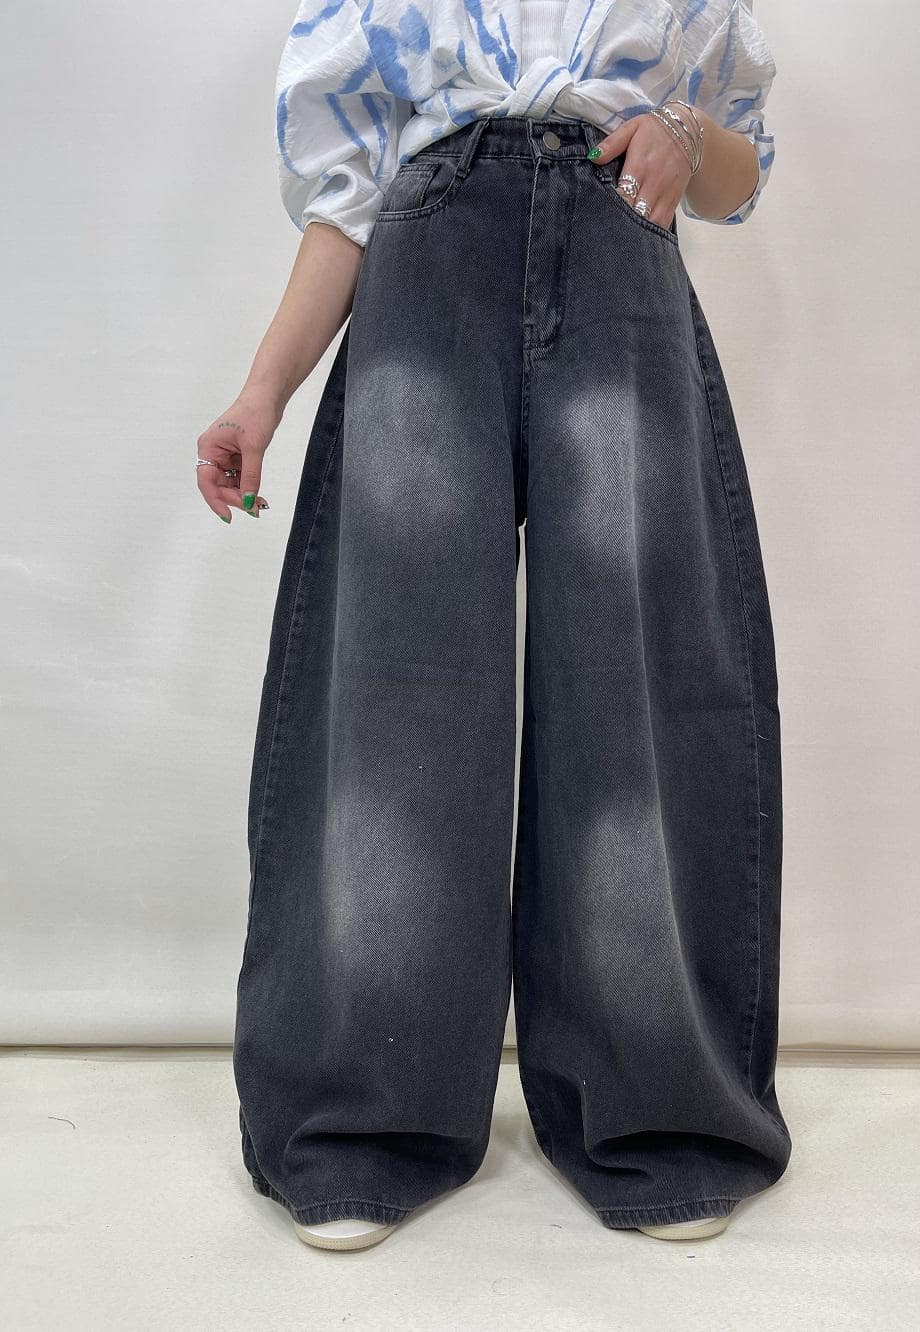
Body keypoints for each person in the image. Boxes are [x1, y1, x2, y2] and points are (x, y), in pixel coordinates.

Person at [197, 0, 792, 1253]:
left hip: (622, 253)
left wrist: (685, 133)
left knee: (635, 690)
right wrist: (262, 391)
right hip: (426, 271)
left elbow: (740, 166)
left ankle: (659, 1114)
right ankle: (364, 1120)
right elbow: (346, 203)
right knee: (395, 698)